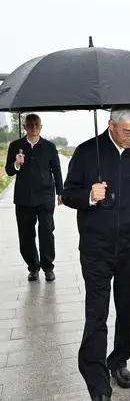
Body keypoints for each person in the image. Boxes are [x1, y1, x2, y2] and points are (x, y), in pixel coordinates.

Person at [62, 106, 130, 401]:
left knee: (127, 307)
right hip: (96, 248)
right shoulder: (85, 152)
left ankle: (118, 360)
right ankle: (96, 379)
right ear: (111, 125)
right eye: (126, 131)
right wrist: (90, 195)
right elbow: (67, 194)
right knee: (97, 312)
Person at [4, 113, 63, 282]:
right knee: (26, 235)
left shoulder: (49, 147)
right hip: (24, 199)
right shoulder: (16, 146)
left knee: (46, 232)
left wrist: (61, 191)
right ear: (24, 127)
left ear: (41, 127)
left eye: (36, 124)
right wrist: (16, 164)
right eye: (30, 125)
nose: (33, 127)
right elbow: (8, 171)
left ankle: (48, 267)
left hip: (45, 197)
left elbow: (57, 170)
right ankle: (33, 267)